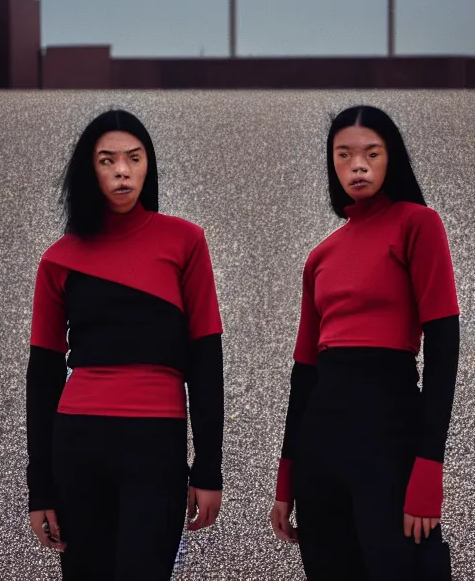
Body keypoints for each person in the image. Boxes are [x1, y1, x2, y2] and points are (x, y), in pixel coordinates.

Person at [26, 109, 224, 580]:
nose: (122, 171)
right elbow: (43, 376)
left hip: (156, 444)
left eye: (134, 159)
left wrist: (208, 468)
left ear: (147, 166)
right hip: (78, 442)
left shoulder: (185, 242)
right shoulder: (59, 259)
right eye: (107, 160)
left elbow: (206, 360)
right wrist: (41, 490)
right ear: (88, 170)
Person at [270, 106, 459, 580]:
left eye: (371, 154)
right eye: (344, 155)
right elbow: (304, 370)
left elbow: (443, 346)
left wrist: (429, 468)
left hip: (389, 432)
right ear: (332, 164)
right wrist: (286, 478)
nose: (358, 165)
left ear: (389, 158)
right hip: (321, 441)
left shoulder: (419, 225)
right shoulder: (321, 255)